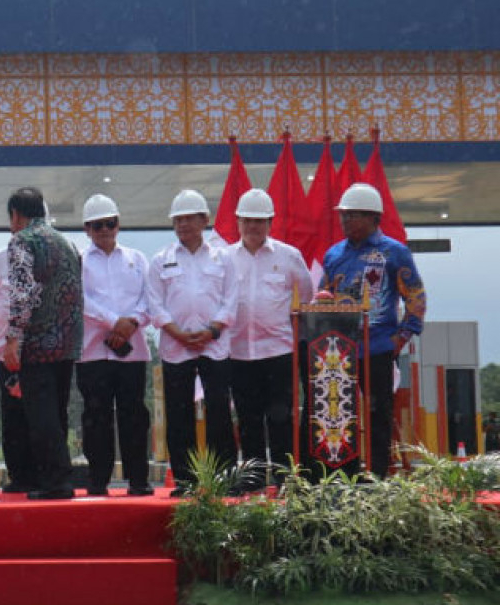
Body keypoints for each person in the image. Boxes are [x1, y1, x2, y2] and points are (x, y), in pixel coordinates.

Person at [320, 182, 426, 479]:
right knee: (339, 415)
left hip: (379, 348)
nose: (345, 221)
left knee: (379, 415)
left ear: (373, 217)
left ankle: (378, 475)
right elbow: (322, 298)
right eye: (343, 215)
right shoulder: (333, 254)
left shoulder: (395, 253)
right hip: (338, 353)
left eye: (352, 215)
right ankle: (343, 473)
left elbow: (416, 299)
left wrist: (401, 338)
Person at [146, 189, 237, 496]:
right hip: (176, 348)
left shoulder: (223, 257)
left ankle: (223, 477)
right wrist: (178, 333)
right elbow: (154, 305)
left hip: (215, 346)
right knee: (179, 415)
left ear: (204, 220)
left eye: (189, 218)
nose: (183, 224)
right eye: (178, 219)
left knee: (219, 412)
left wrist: (212, 330)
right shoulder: (161, 260)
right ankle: (185, 480)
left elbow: (231, 300)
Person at [224, 189, 312, 491]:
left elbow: (306, 299)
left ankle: (285, 477)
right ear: (238, 221)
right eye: (247, 221)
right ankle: (253, 478)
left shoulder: (289, 257)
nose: (253, 227)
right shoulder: (225, 258)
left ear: (270, 222)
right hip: (238, 353)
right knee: (248, 419)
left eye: (259, 221)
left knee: (280, 419)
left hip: (278, 353)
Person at [3, 187, 83, 500]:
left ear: (16, 215)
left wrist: (14, 337)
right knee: (58, 412)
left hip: (38, 342)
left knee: (41, 415)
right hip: (69, 341)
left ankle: (55, 482)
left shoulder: (22, 240)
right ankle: (59, 477)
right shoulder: (68, 242)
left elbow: (22, 293)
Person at [77, 193, 154, 497]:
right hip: (92, 352)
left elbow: (150, 299)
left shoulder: (137, 259)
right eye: (97, 226)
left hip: (131, 352)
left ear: (119, 224)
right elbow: (79, 300)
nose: (104, 230)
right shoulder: (78, 261)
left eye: (109, 223)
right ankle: (98, 481)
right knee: (96, 418)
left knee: (134, 416)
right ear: (86, 229)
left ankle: (138, 480)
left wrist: (131, 323)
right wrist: (114, 322)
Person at [0, 246, 36, 493]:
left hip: (44, 352)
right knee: (14, 417)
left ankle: (46, 473)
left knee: (45, 415)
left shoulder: (52, 256)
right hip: (8, 353)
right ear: (14, 220)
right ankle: (19, 476)